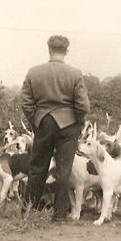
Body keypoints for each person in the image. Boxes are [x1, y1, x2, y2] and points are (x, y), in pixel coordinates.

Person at [21, 35, 90, 221]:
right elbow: (83, 106)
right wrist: (79, 123)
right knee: (63, 170)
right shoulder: (75, 74)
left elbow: (26, 103)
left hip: (43, 122)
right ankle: (60, 214)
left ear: (49, 49)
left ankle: (29, 210)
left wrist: (36, 121)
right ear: (66, 51)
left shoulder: (33, 72)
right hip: (68, 125)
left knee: (37, 167)